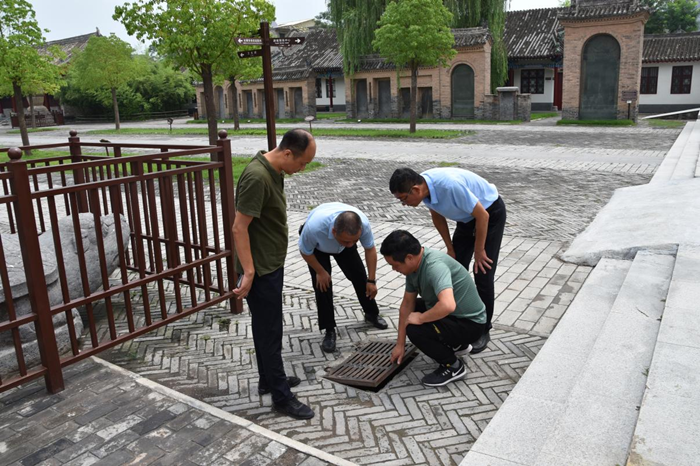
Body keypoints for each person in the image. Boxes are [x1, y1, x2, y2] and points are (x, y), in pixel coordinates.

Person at [233, 129, 316, 420]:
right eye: (303, 163)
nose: (302, 169)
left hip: (270, 264)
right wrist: (249, 272)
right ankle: (281, 397)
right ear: (288, 153)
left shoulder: (274, 170)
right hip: (261, 270)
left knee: (267, 327)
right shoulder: (257, 177)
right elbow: (238, 228)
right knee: (269, 332)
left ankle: (268, 380)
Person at [389, 167, 506, 354]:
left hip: (489, 213)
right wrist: (450, 248)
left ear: (416, 190)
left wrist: (479, 250)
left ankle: (483, 329)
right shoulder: (425, 189)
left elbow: (483, 215)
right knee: (456, 266)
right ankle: (455, 321)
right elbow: (437, 215)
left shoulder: (449, 186)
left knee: (482, 271)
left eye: (403, 198)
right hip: (467, 219)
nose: (403, 204)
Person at [381, 230, 486, 387]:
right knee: (414, 308)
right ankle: (458, 346)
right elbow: (406, 305)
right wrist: (400, 344)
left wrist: (421, 318)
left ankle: (453, 367)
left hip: (471, 325)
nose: (394, 269)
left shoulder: (434, 266)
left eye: (395, 265)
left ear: (409, 257)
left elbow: (448, 305)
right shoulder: (413, 268)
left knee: (415, 329)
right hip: (457, 317)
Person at [299, 202, 388, 352]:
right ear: (334, 231)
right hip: (317, 249)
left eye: (355, 241)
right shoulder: (314, 228)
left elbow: (370, 249)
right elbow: (305, 251)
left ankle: (372, 314)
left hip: (341, 237)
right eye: (346, 241)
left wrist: (372, 280)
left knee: (360, 277)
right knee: (323, 286)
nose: (351, 244)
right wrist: (320, 272)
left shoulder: (362, 224)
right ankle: (329, 330)